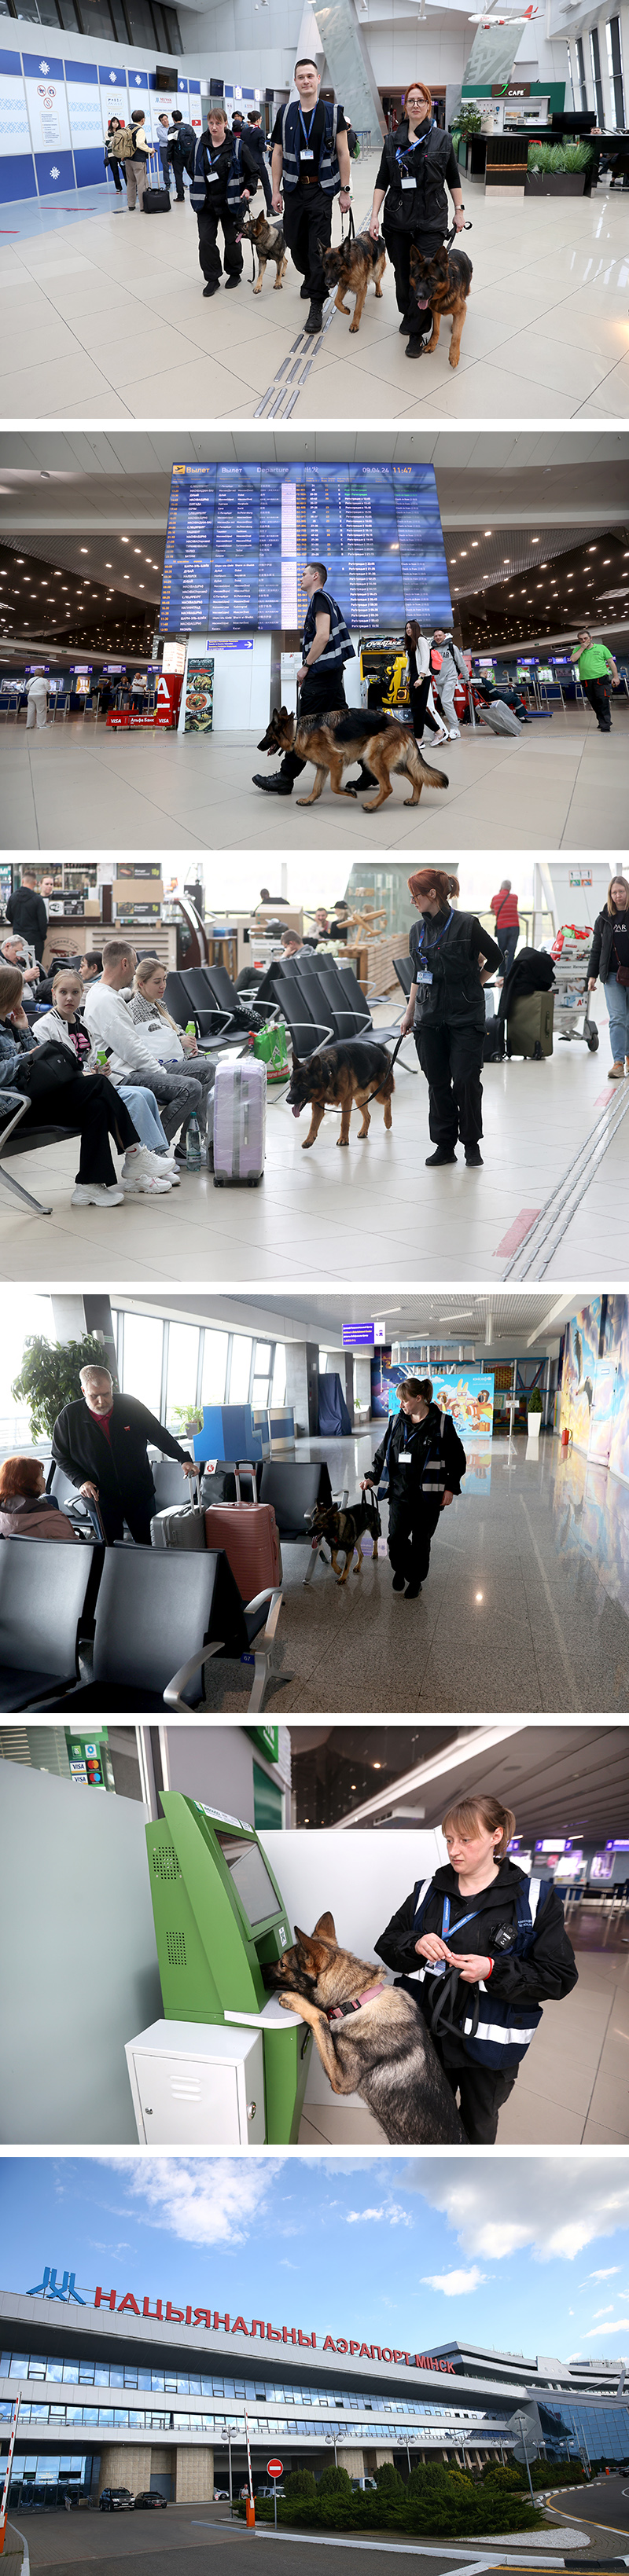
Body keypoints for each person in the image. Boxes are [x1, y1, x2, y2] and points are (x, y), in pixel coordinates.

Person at [374, 1792, 578, 2144]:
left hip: (487, 2050)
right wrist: (415, 1944)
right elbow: (387, 1945)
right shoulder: (427, 1893)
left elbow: (558, 1977)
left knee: (477, 2129)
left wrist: (492, 1970)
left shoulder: (534, 1899)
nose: (454, 1850)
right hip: (425, 2042)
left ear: (495, 1836)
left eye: (466, 1840)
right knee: (421, 2127)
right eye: (449, 1840)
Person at [0, 964, 139, 1213]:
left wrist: (23, 1030)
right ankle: (135, 1154)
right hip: (12, 1110)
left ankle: (90, 1184)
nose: (23, 995)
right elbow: (13, 1068)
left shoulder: (8, 1025)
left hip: (28, 1100)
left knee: (96, 1105)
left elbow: (32, 1059)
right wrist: (25, 1057)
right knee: (97, 1083)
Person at [32, 966, 176, 1197]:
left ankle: (95, 1183)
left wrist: (100, 1069)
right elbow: (51, 1074)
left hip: (88, 1088)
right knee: (120, 1093)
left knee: (126, 1098)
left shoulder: (82, 1024)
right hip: (62, 1095)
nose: (69, 998)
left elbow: (89, 1061)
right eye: (63, 993)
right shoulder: (44, 1028)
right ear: (53, 994)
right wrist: (91, 1075)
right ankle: (137, 1159)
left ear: (82, 994)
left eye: (76, 993)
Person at [400, 867, 501, 1169]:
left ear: (432, 894)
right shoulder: (417, 931)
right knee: (437, 1083)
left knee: (467, 1081)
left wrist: (477, 982)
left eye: (415, 895)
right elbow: (419, 974)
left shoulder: (468, 924)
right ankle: (445, 1145)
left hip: (465, 1016)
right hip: (429, 1017)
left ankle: (471, 1144)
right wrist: (410, 1012)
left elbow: (496, 957)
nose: (413, 902)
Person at [83, 936, 207, 1163]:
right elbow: (132, 1049)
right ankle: (154, 1152)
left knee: (206, 1070)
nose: (135, 971)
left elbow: (131, 1041)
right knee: (190, 1088)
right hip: (124, 1075)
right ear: (124, 964)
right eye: (134, 963)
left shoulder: (109, 995)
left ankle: (186, 1145)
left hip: (132, 1068)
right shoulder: (106, 1001)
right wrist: (161, 1074)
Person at [252, 559, 365, 798]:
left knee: (304, 727)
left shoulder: (320, 598)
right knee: (346, 726)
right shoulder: (325, 600)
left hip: (321, 676)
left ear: (316, 577)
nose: (300, 578)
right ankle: (370, 771)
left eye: (303, 574)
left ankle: (285, 778)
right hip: (331, 676)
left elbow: (322, 636)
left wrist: (306, 666)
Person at [52, 1365, 198, 1547]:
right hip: (100, 1500)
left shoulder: (130, 1405)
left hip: (139, 1496)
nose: (101, 1401)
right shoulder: (69, 1416)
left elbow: (158, 1434)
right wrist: (80, 1481)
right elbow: (60, 1456)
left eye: (106, 1393)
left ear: (112, 1386)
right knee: (112, 1552)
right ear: (83, 1390)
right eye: (94, 1396)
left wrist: (183, 1458)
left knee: (148, 1547)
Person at [368, 80, 464, 358]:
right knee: (403, 277)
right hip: (398, 220)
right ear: (405, 105)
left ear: (429, 104)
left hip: (432, 221)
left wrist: (459, 209)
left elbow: (453, 177)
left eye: (421, 100)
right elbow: (382, 179)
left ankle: (415, 333)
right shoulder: (392, 141)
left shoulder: (442, 139)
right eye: (411, 101)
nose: (416, 105)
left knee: (426, 278)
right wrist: (374, 215)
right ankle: (409, 314)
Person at [363, 1374, 466, 1600]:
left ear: (420, 1398)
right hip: (400, 1493)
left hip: (428, 1497)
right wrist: (372, 1476)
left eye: (405, 1400)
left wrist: (450, 1488)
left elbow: (458, 1459)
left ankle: (416, 1580)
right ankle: (401, 1569)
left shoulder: (442, 1424)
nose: (401, 1405)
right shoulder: (396, 1422)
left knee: (421, 1542)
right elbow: (383, 1454)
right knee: (395, 1539)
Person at [270, 58, 351, 338]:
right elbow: (278, 154)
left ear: (318, 79)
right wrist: (275, 190)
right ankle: (309, 276)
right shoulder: (286, 113)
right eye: (300, 77)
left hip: (321, 190)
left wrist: (345, 190)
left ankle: (316, 304)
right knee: (294, 243)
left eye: (309, 76)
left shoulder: (333, 112)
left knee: (319, 249)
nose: (305, 81)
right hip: (293, 189)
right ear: (295, 82)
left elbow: (343, 153)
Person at [127, 956, 215, 1150]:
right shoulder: (135, 1009)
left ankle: (189, 1140)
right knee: (205, 1072)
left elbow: (175, 1030)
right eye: (157, 981)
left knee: (209, 1068)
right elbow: (144, 1045)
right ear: (141, 984)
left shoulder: (159, 1005)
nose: (163, 986)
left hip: (170, 1060)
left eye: (165, 980)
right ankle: (172, 1144)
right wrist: (178, 1040)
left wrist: (185, 1040)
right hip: (152, 1066)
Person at [189, 102, 257, 297]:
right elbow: (191, 168)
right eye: (211, 122)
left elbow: (253, 171)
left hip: (232, 203)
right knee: (206, 241)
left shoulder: (237, 146)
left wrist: (248, 189)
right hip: (206, 203)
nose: (214, 127)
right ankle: (212, 278)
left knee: (232, 240)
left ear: (226, 123)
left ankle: (234, 273)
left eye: (218, 123)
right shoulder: (198, 146)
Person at [587, 872, 629, 1077]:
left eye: (621, 891)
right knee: (618, 1018)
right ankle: (618, 1062)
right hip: (612, 975)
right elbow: (597, 949)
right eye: (614, 892)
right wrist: (592, 974)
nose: (618, 896)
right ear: (610, 895)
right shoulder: (603, 919)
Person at [0, 1455, 78, 1544]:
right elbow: (73, 1552)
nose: (44, 1480)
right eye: (41, 1476)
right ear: (28, 1482)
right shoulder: (53, 1519)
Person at [403, 622, 449, 748]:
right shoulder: (411, 642)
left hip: (423, 676)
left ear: (415, 628)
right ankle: (439, 732)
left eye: (410, 628)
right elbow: (411, 662)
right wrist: (409, 680)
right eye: (406, 628)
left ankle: (419, 740)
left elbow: (425, 659)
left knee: (418, 709)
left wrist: (421, 677)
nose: (408, 630)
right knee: (417, 709)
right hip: (414, 677)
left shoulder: (421, 640)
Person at [571, 629, 619, 733]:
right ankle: (602, 720)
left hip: (601, 678)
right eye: (581, 639)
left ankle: (605, 724)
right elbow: (573, 659)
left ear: (591, 638)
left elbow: (610, 662)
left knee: (603, 700)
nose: (584, 641)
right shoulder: (577, 649)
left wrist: (616, 677)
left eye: (586, 638)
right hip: (586, 680)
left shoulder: (602, 648)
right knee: (594, 702)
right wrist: (582, 648)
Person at [429, 630, 468, 739]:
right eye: (436, 636)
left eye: (440, 635)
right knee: (445, 704)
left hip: (450, 678)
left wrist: (467, 678)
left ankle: (455, 729)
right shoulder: (432, 650)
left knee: (446, 701)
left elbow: (461, 664)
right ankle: (447, 728)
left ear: (444, 636)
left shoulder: (452, 647)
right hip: (438, 680)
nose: (438, 637)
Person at [6, 870, 48, 963]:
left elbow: (8, 915)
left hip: (18, 938)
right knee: (34, 965)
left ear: (23, 881)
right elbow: (42, 921)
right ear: (35, 883)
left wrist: (17, 922)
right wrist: (43, 937)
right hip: (35, 939)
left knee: (18, 966)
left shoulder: (13, 897)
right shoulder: (37, 899)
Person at [490, 879, 520, 981]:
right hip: (514, 927)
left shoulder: (496, 898)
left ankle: (501, 973)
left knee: (501, 950)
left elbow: (492, 907)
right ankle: (510, 972)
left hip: (502, 927)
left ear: (501, 888)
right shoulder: (515, 897)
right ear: (510, 888)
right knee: (511, 951)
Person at [246, 107, 273, 211]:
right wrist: (267, 148)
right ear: (258, 120)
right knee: (266, 184)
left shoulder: (245, 132)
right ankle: (270, 208)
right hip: (258, 162)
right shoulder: (260, 132)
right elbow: (261, 147)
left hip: (248, 162)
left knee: (246, 185)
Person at [124, 109, 150, 212]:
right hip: (139, 160)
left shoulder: (127, 128)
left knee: (131, 182)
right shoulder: (140, 130)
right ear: (143, 119)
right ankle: (143, 206)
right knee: (141, 183)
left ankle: (131, 205)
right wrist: (150, 150)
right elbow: (140, 144)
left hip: (128, 159)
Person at [167, 105, 196, 199]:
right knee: (192, 174)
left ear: (173, 119)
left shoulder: (172, 129)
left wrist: (169, 158)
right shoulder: (189, 128)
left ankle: (180, 196)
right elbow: (194, 140)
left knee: (178, 176)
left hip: (177, 157)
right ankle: (200, 191)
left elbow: (170, 145)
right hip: (189, 156)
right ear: (181, 117)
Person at [105, 116, 125, 194]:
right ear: (111, 123)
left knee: (125, 170)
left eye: (117, 122)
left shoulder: (121, 131)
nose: (115, 124)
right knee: (115, 172)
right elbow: (107, 144)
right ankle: (118, 188)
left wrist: (113, 141)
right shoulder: (108, 132)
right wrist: (115, 141)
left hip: (121, 154)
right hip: (112, 154)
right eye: (114, 122)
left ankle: (130, 187)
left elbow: (123, 142)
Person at [25, 668, 49, 732]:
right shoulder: (44, 680)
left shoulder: (31, 680)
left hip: (30, 695)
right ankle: (41, 725)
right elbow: (48, 688)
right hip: (40, 695)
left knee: (31, 710)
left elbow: (27, 688)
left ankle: (29, 725)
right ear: (42, 673)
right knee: (41, 710)